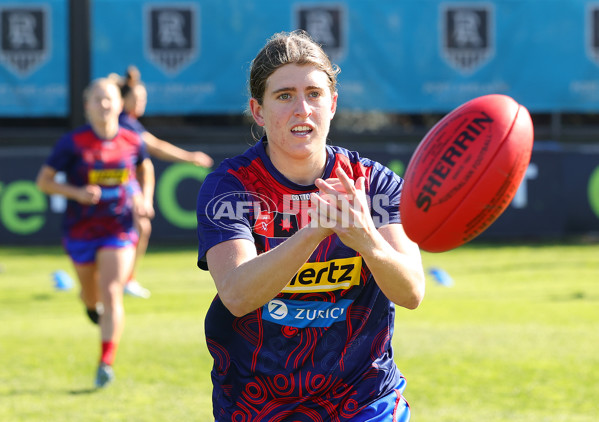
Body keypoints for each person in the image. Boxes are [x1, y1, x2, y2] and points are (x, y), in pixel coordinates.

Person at [196, 30, 426, 420]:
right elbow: (236, 295)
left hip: (364, 397)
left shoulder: (374, 184)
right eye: (284, 95)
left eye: (314, 94)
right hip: (257, 402)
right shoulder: (231, 187)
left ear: (332, 103)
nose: (302, 108)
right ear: (258, 111)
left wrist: (366, 238)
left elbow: (412, 292)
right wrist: (313, 231)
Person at [36, 77, 154, 388]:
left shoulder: (132, 139)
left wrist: (144, 197)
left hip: (118, 227)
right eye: (97, 99)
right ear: (87, 106)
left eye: (109, 98)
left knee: (112, 290)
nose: (104, 104)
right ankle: (90, 306)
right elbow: (44, 182)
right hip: (81, 231)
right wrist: (76, 192)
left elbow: (145, 168)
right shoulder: (72, 143)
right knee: (91, 296)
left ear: (119, 103)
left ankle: (106, 362)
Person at [115, 66, 213, 299]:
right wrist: (191, 157)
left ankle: (123, 279)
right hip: (114, 186)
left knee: (138, 228)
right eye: (137, 98)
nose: (141, 102)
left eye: (144, 98)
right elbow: (156, 147)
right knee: (136, 228)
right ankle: (122, 279)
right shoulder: (123, 123)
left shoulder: (129, 122)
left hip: (123, 186)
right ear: (125, 99)